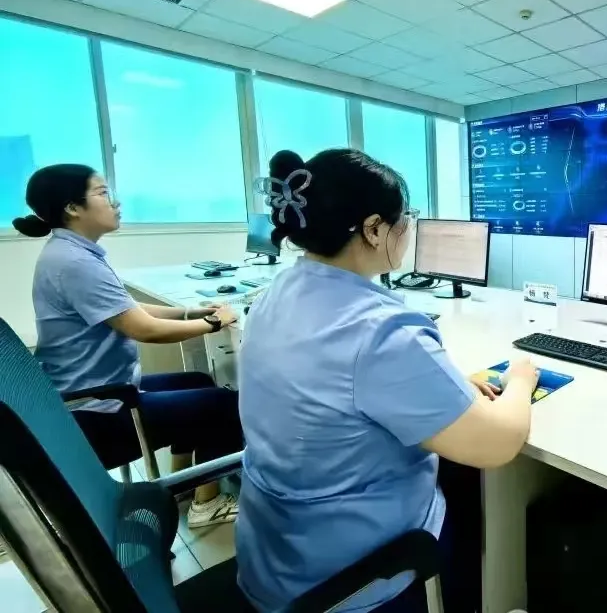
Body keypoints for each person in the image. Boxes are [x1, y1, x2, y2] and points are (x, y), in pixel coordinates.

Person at [236, 149, 539, 613]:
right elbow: (498, 445)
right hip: (347, 576)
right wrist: (520, 380)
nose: (408, 230)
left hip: (275, 556)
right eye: (404, 219)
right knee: (469, 477)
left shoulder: (274, 294)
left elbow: (345, 379)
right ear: (374, 229)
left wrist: (442, 383)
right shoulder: (381, 330)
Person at [13, 164, 245, 528]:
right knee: (224, 405)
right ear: (73, 207)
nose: (116, 202)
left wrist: (193, 311)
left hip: (89, 394)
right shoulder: (74, 262)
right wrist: (214, 323)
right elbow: (143, 328)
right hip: (96, 413)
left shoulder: (72, 251)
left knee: (198, 380)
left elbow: (126, 307)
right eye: (103, 193)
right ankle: (207, 505)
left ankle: (183, 484)